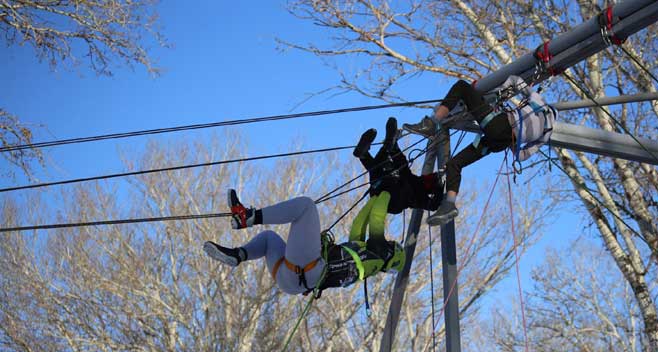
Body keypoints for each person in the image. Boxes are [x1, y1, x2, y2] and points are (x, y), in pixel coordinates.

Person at [403, 75, 557, 225]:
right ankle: (449, 204)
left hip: (499, 126)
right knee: (454, 164)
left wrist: (501, 91)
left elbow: (514, 79)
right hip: (499, 143)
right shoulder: (546, 134)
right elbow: (521, 156)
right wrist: (512, 139)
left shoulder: (540, 102)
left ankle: (432, 123)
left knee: (462, 87)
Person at [203, 189, 405, 296]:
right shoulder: (367, 258)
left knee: (306, 206)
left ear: (393, 254)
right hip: (290, 281)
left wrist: (386, 193)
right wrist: (374, 195)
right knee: (268, 238)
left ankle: (248, 216)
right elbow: (360, 224)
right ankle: (238, 255)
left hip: (307, 269)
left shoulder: (379, 253)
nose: (392, 243)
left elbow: (377, 219)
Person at [353, 116, 443, 215]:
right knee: (381, 171)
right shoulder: (414, 183)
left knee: (385, 171)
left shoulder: (419, 196)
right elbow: (402, 166)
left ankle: (384, 148)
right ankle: (368, 154)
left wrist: (440, 187)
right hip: (383, 191)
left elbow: (433, 205)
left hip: (393, 199)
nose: (427, 177)